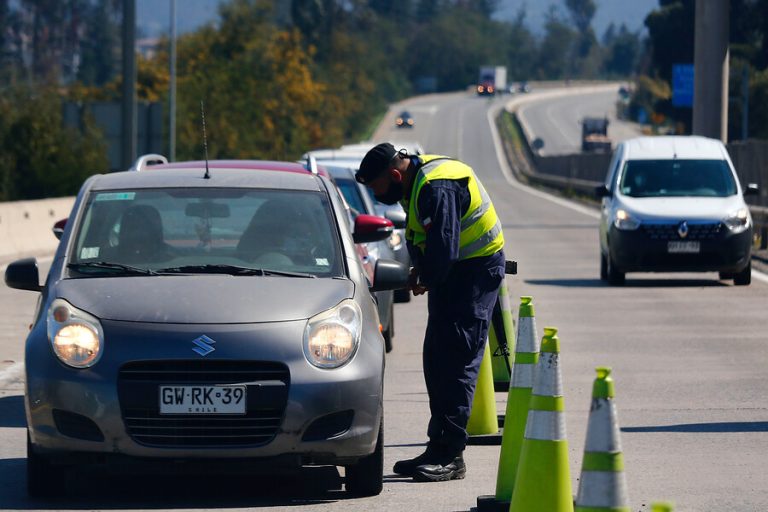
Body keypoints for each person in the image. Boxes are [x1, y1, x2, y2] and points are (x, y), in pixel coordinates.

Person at [355, 142, 505, 482]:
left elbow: (445, 248)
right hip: (454, 275)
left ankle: (452, 456)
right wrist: (420, 272)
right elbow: (426, 240)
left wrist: (424, 277)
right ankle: (436, 447)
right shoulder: (416, 182)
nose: (379, 197)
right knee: (436, 358)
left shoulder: (437, 187)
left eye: (378, 188)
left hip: (473, 275)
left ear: (394, 174)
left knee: (456, 360)